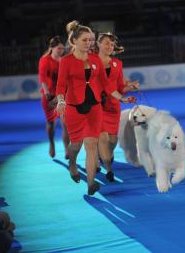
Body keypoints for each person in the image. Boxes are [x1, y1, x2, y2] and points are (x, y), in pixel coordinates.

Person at [55, 20, 133, 195]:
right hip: (74, 109)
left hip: (95, 108)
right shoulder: (66, 61)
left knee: (91, 145)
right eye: (85, 40)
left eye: (91, 40)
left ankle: (91, 183)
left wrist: (122, 98)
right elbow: (60, 86)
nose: (89, 43)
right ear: (73, 41)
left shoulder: (95, 59)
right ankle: (72, 162)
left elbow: (106, 85)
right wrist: (61, 101)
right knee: (76, 145)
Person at [96, 32, 139, 181]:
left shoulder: (117, 64)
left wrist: (130, 87)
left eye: (112, 44)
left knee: (113, 141)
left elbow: (120, 87)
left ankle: (103, 154)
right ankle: (108, 167)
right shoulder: (91, 61)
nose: (109, 46)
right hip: (96, 105)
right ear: (98, 44)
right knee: (102, 137)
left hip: (113, 106)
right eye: (106, 43)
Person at [38, 36, 69, 159]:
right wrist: (46, 92)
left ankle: (67, 149)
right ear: (52, 48)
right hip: (49, 95)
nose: (61, 51)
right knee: (51, 124)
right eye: (59, 48)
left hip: (62, 95)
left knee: (65, 123)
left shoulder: (64, 60)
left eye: (62, 48)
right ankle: (51, 143)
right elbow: (42, 77)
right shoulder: (45, 60)